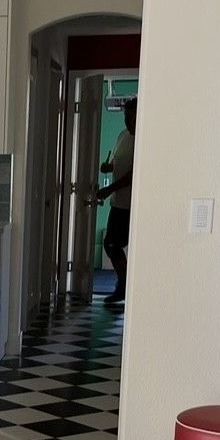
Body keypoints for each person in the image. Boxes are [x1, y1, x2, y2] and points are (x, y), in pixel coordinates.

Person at [97, 97, 136, 305]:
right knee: (111, 244)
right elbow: (118, 161)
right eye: (125, 117)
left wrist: (108, 189)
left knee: (114, 243)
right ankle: (123, 285)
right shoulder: (122, 136)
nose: (127, 121)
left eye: (131, 117)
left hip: (131, 206)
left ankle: (125, 287)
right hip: (117, 203)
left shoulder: (142, 140)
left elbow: (132, 175)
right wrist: (108, 167)